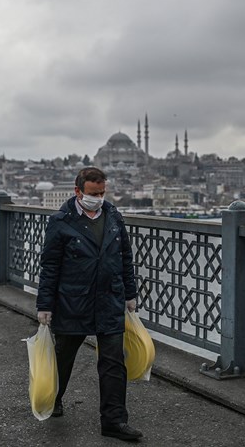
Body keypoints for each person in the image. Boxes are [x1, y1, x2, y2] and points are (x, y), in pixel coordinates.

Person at [36, 167, 142, 441]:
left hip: (109, 299)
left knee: (113, 363)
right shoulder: (61, 222)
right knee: (64, 357)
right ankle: (53, 398)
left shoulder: (113, 216)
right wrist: (45, 305)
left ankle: (114, 421)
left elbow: (125, 258)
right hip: (73, 301)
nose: (99, 198)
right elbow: (50, 267)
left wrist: (130, 295)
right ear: (78, 191)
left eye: (102, 193)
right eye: (94, 194)